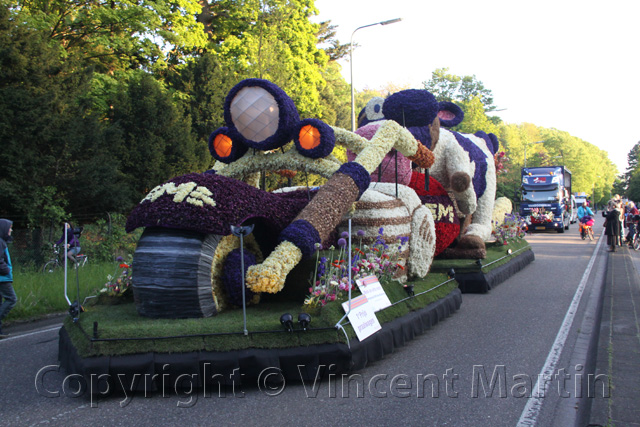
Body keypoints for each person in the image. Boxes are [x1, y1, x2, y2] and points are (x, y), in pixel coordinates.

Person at [0, 219, 16, 339]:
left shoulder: (2, 241)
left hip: (3, 277)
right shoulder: (0, 242)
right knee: (11, 299)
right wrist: (6, 270)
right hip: (2, 278)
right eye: (9, 227)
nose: (11, 230)